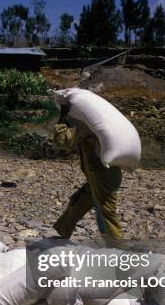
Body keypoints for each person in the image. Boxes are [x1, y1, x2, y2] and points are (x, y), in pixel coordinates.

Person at [52, 102, 123, 244]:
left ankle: (118, 250)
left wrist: (62, 117)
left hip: (102, 176)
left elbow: (63, 142)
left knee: (105, 213)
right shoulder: (98, 121)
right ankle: (63, 231)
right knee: (80, 201)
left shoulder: (87, 124)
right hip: (100, 174)